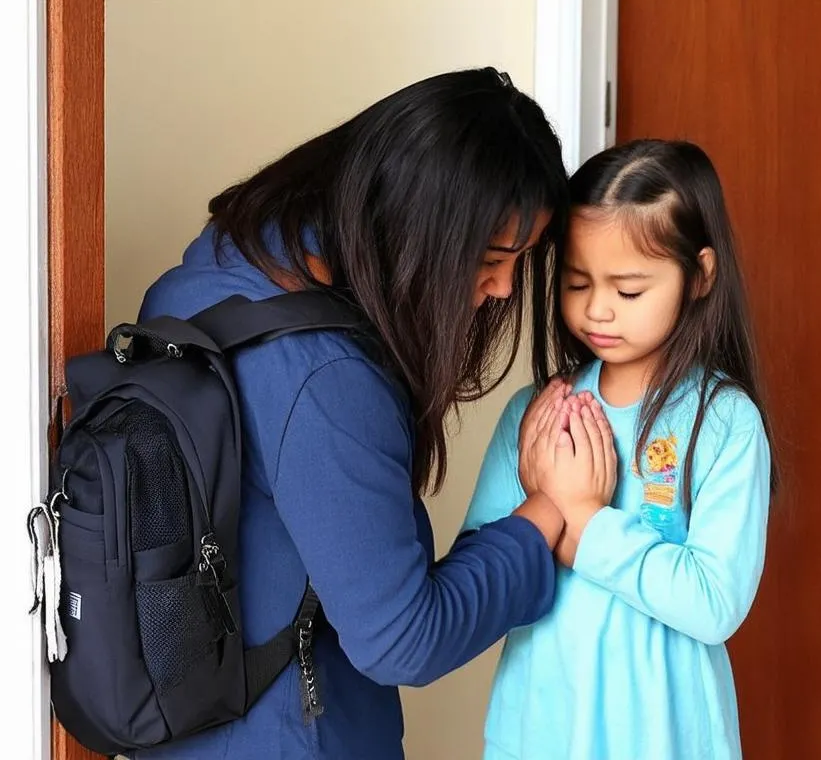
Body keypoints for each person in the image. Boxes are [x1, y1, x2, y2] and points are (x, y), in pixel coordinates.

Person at [135, 68, 615, 760]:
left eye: (523, 258)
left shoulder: (225, 258)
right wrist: (546, 514)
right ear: (420, 228)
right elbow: (403, 639)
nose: (507, 285)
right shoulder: (325, 382)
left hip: (183, 727)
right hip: (290, 739)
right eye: (491, 257)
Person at [465, 138, 777, 760]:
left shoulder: (724, 423)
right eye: (578, 282)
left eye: (629, 290)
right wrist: (543, 502)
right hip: (540, 733)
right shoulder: (536, 414)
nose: (598, 309)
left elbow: (712, 603)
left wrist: (581, 518)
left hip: (668, 739)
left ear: (700, 276)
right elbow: (479, 582)